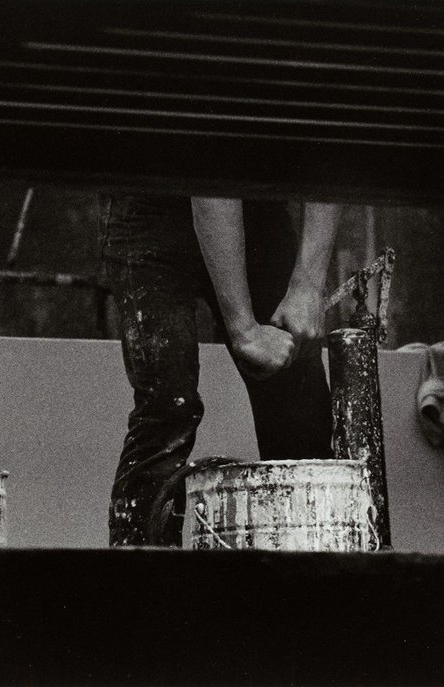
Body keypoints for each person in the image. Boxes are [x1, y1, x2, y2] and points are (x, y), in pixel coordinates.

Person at [100, 194, 340, 546]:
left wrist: (308, 285)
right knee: (167, 407)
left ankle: (313, 582)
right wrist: (244, 330)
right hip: (153, 201)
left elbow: (331, 160)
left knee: (298, 407)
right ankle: (143, 585)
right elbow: (212, 187)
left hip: (260, 203)